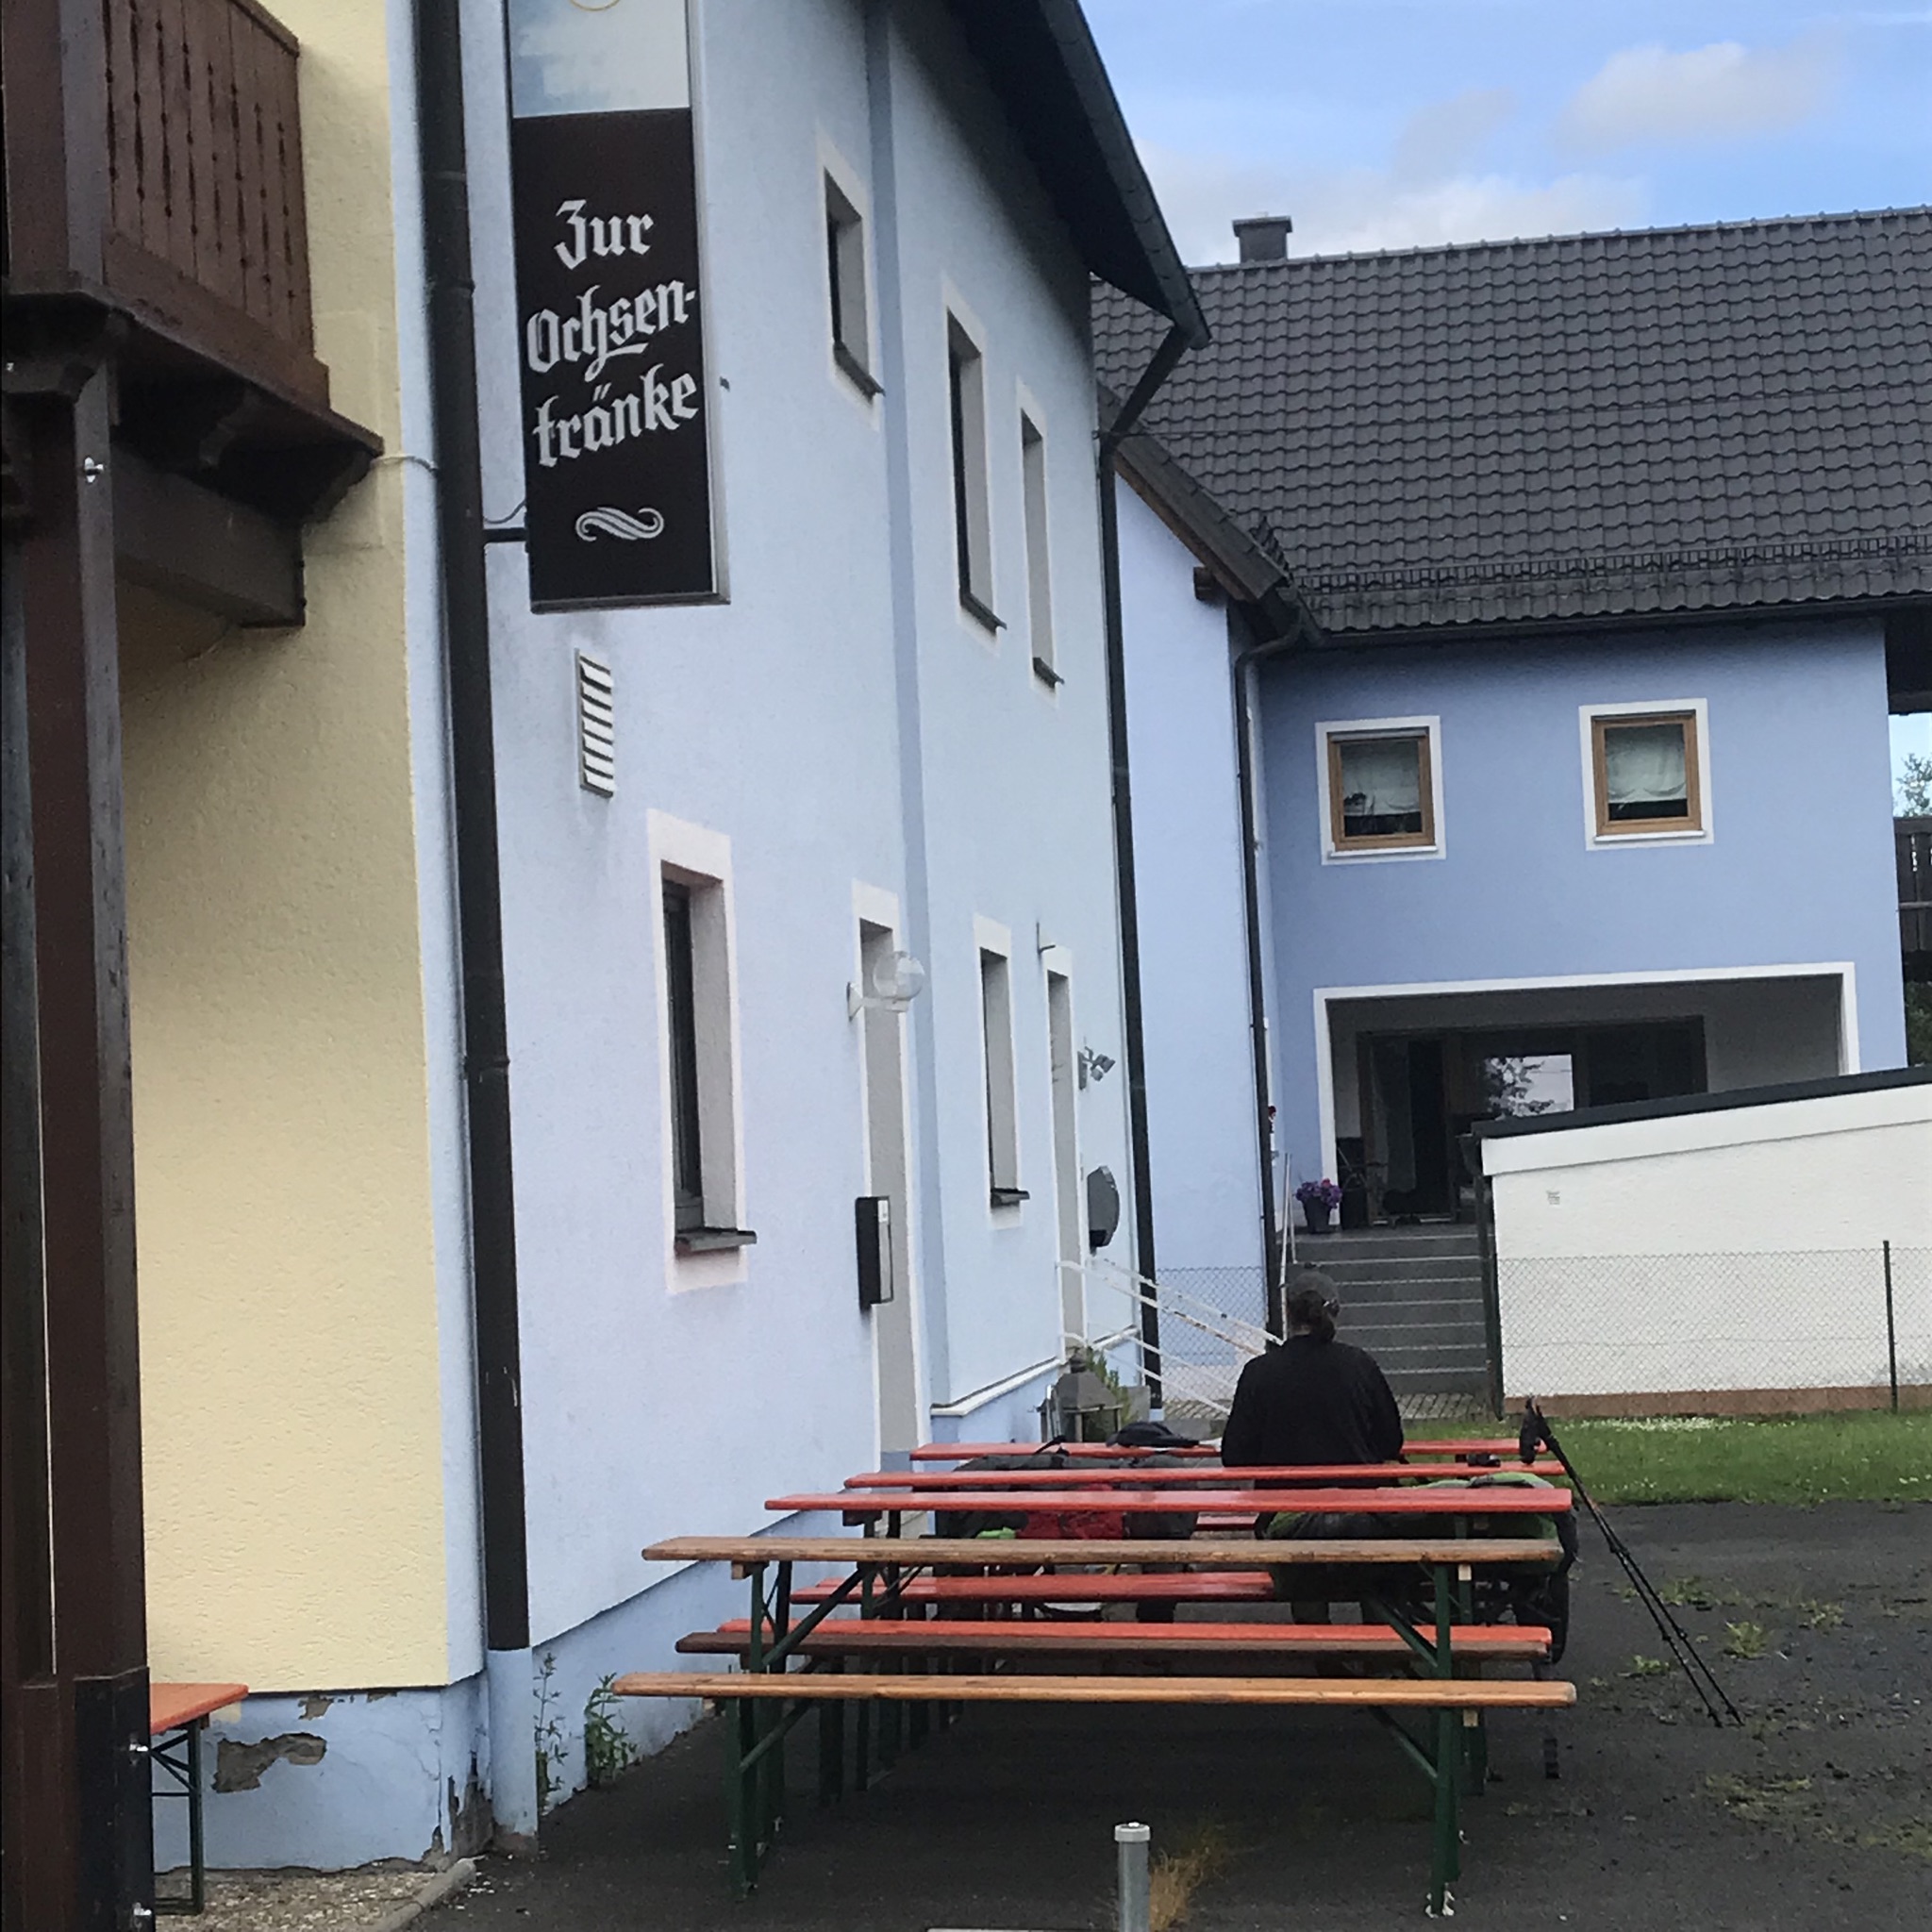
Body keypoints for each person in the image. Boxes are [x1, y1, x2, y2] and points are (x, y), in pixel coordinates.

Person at [1220, 1272, 1407, 1626]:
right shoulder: (1360, 1365)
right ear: (1335, 1311)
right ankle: (1380, 1639)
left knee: (1305, 1578)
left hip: (1286, 1520)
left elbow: (1235, 1455)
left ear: (1288, 1314)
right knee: (1376, 1572)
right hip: (1361, 1516)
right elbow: (1391, 1442)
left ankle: (1316, 1637)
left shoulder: (1259, 1372)